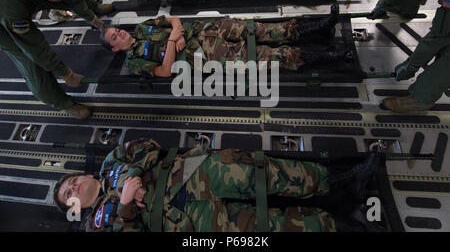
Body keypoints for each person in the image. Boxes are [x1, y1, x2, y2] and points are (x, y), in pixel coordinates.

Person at [53, 137, 380, 232]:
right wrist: (125, 205)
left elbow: (147, 147)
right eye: (68, 194)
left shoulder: (112, 161)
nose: (72, 187)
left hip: (190, 171)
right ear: (74, 207)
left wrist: (129, 176)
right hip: (182, 222)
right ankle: (340, 227)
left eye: (69, 181)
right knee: (263, 228)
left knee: (261, 173)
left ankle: (342, 183)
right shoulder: (95, 228)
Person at [0, 0, 115, 119]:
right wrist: (66, 74)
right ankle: (63, 104)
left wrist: (92, 17)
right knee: (29, 60)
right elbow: (35, 48)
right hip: (4, 7)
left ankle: (94, 7)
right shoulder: (14, 11)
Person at [99, 5, 353, 78]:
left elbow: (172, 19)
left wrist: (177, 30)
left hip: (207, 30)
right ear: (114, 48)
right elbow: (164, 71)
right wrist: (170, 44)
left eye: (118, 30)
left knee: (260, 30)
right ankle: (331, 56)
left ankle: (318, 28)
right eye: (115, 37)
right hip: (206, 56)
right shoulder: (134, 62)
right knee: (269, 58)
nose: (120, 34)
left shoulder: (143, 27)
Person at [369, 0, 449, 112]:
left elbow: (440, 35)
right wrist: (387, 2)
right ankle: (404, 7)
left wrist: (412, 64)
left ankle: (422, 98)